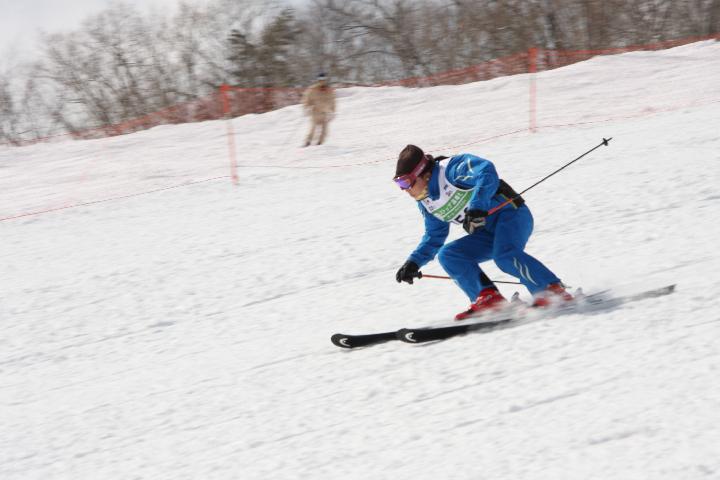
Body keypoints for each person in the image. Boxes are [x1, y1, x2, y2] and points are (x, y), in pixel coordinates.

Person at [393, 144, 573, 320]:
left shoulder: (451, 170)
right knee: (449, 255)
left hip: (512, 215)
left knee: (504, 255)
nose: (404, 189)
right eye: (399, 183)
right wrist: (414, 262)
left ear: (423, 173)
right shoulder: (427, 202)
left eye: (405, 181)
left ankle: (551, 291)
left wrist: (477, 206)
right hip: (487, 232)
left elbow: (486, 171)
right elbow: (434, 235)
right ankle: (488, 299)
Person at [301, 72, 336, 147]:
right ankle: (308, 142)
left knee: (324, 130)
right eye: (320, 79)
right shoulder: (312, 90)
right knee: (313, 128)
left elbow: (333, 101)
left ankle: (320, 143)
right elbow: (306, 99)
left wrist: (333, 111)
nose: (322, 81)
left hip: (325, 112)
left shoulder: (329, 90)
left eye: (324, 79)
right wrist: (306, 107)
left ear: (326, 80)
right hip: (316, 112)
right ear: (317, 80)